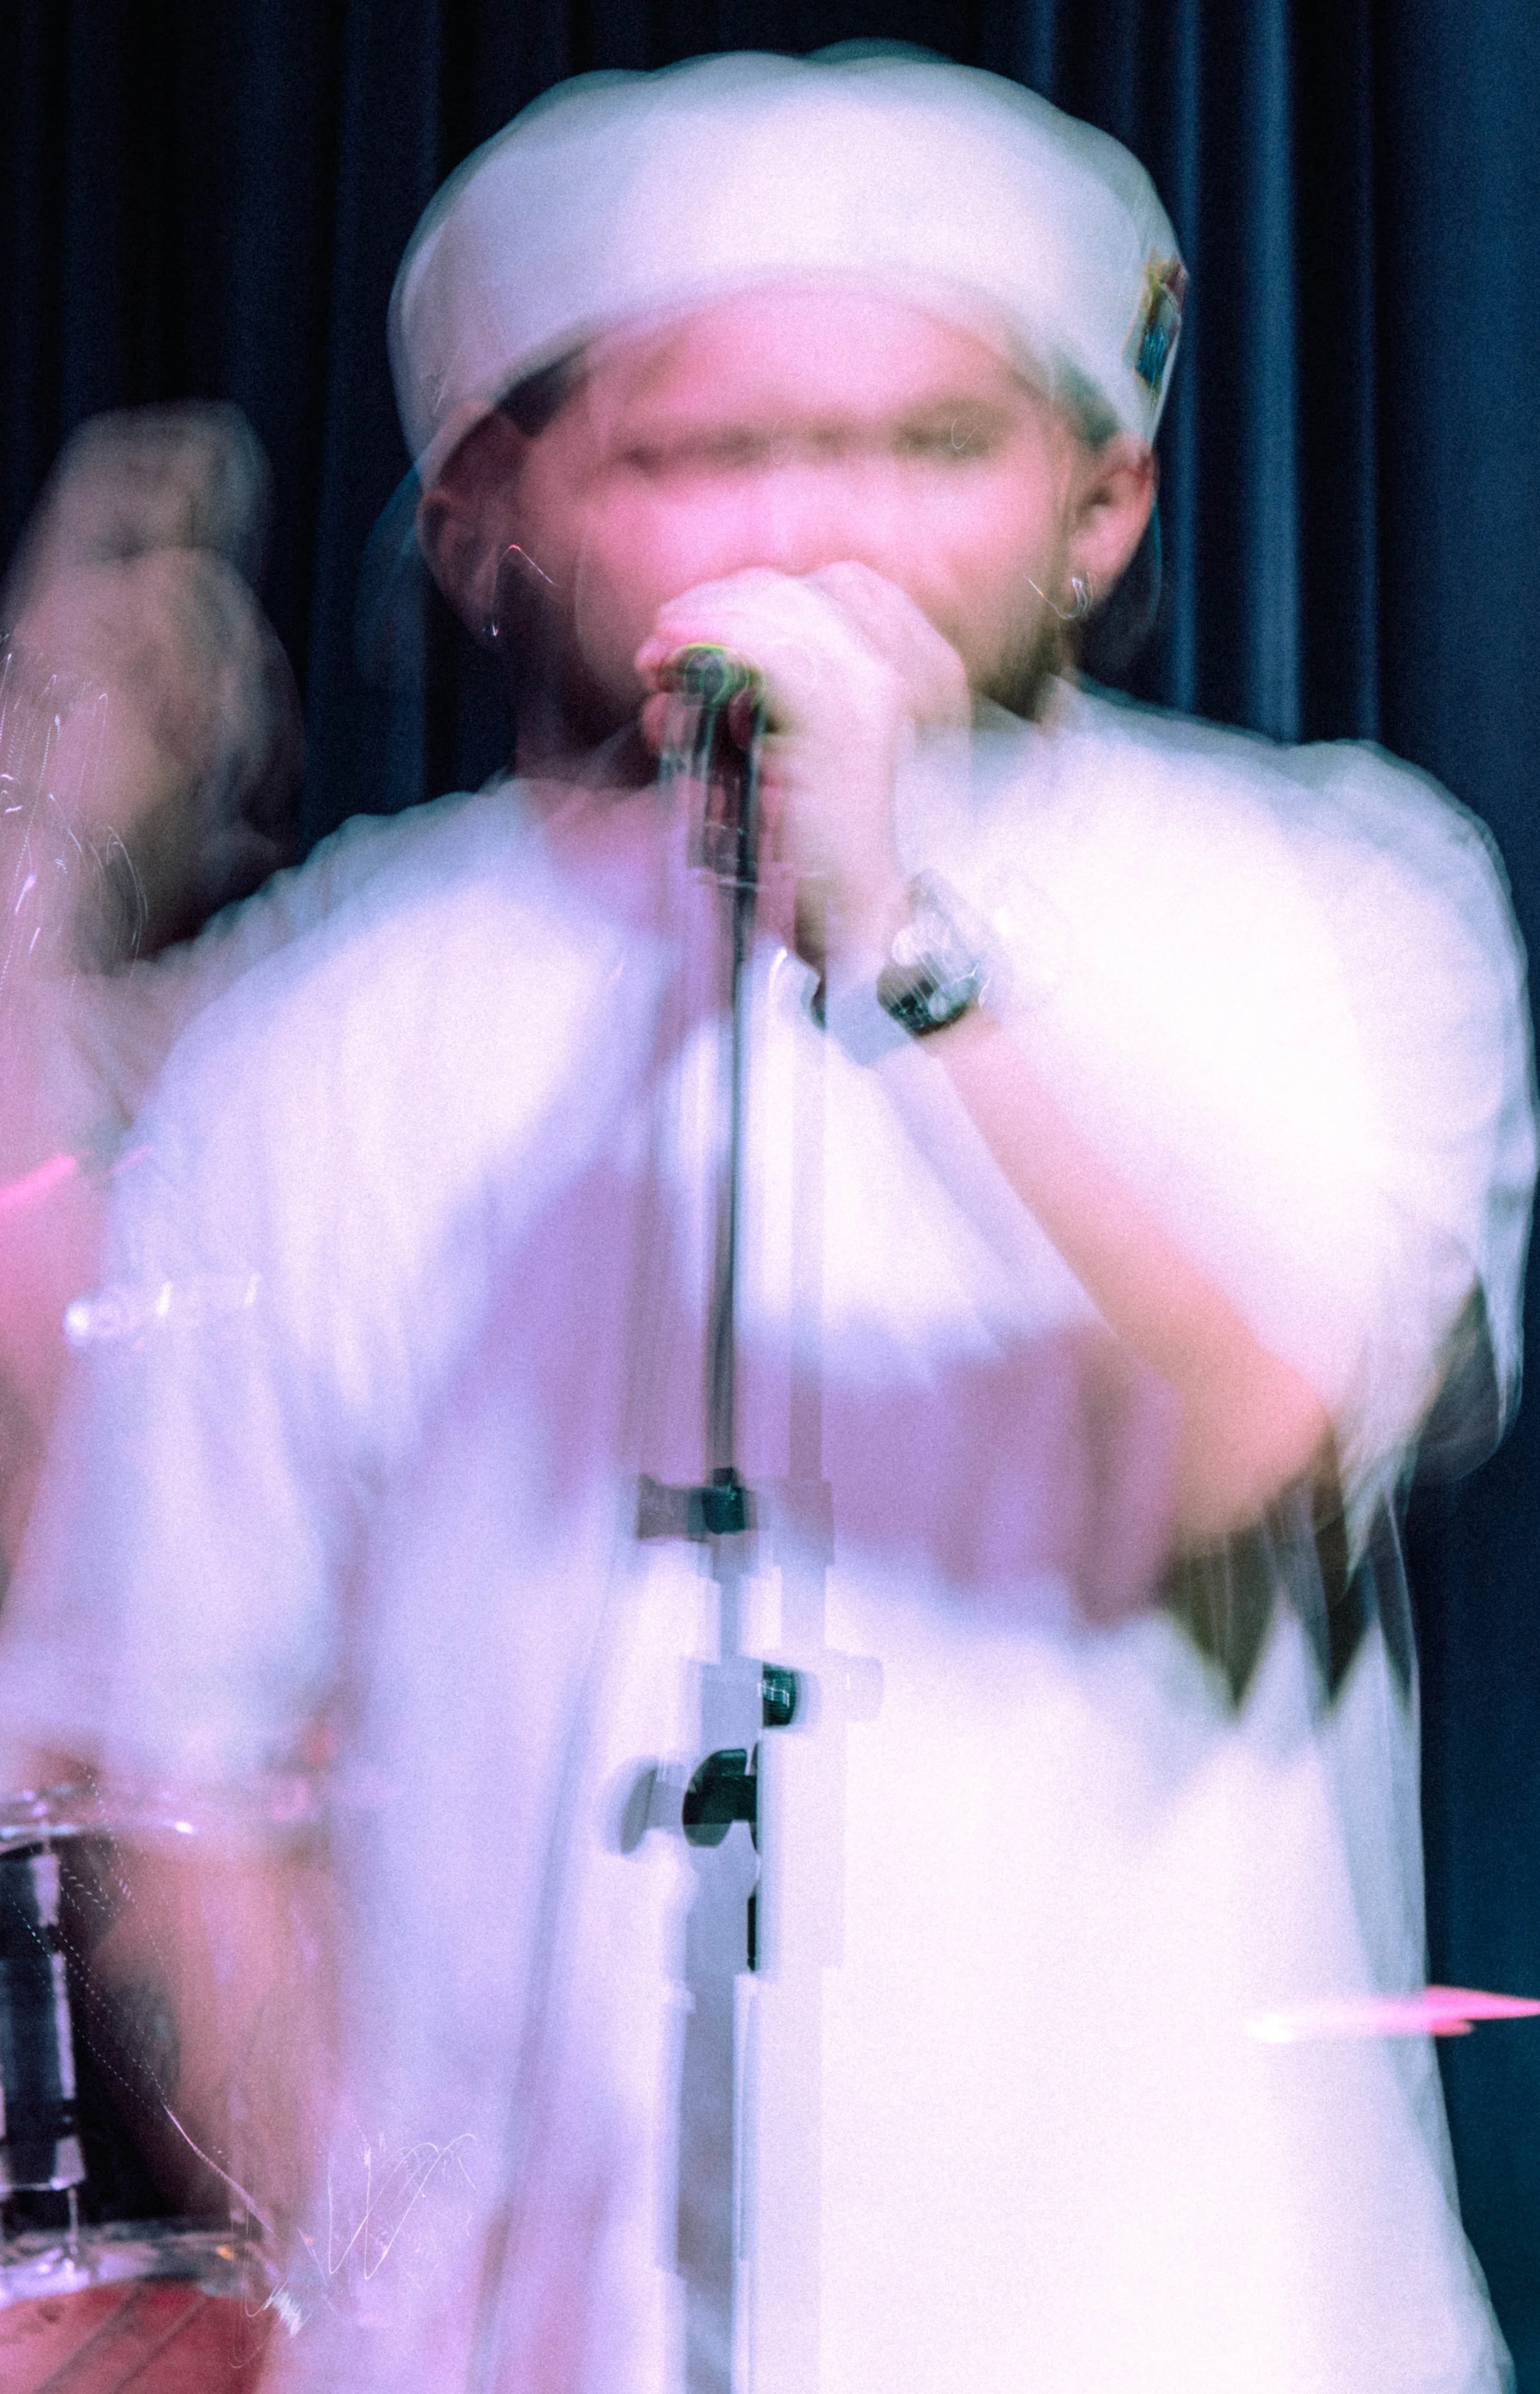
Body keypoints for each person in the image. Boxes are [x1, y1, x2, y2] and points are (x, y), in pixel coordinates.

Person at [0, 49, 1531, 2394]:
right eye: (703, 451)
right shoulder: (336, 1019)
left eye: (929, 443)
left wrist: (901, 939)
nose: (819, 521)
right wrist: (374, 2274)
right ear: (495, 517)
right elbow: (179, 1750)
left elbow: (1264, 1421)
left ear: (1102, 502)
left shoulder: (1320, 898)